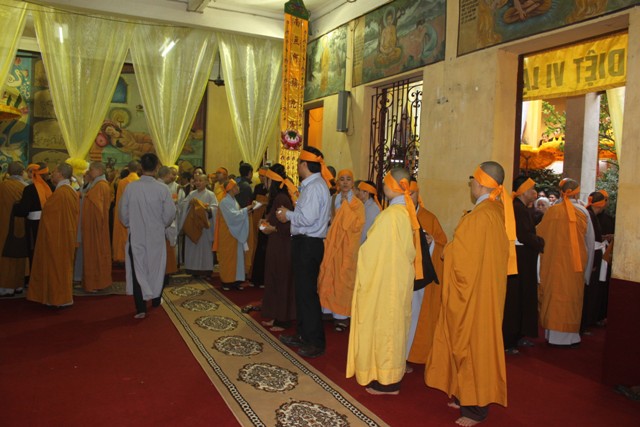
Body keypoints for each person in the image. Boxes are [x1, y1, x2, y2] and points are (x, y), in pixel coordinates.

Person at [426, 161, 513, 426]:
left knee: (472, 347)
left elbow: (462, 261)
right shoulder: (496, 211)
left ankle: (475, 409)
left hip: (475, 295)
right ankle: (465, 394)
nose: (470, 184)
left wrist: (447, 250)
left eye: (472, 180)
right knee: (476, 346)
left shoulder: (479, 217)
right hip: (487, 291)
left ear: (481, 182)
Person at [346, 167, 420, 395]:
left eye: (386, 182)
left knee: (385, 329)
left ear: (393, 186)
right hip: (397, 281)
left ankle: (388, 382)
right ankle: (389, 377)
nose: (383, 185)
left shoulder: (390, 216)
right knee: (394, 328)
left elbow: (371, 251)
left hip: (386, 283)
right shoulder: (405, 212)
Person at [276, 147, 332, 359]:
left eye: (299, 162)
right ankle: (303, 334)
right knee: (302, 292)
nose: (297, 166)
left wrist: (287, 214)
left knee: (308, 294)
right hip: (305, 243)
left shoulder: (315, 187)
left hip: (309, 244)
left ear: (305, 165)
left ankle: (315, 341)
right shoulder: (312, 186)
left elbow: (307, 218)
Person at [537, 178, 594, 347]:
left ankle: (551, 335)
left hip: (553, 264)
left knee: (553, 296)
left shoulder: (552, 211)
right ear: (577, 193)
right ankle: (569, 338)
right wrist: (588, 270)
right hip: (574, 266)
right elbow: (590, 242)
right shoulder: (583, 212)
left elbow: (539, 235)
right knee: (571, 298)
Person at [119, 153, 176, 319]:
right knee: (156, 266)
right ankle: (156, 299)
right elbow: (170, 213)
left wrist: (130, 223)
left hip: (136, 234)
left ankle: (140, 307)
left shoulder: (131, 188)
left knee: (138, 268)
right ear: (157, 167)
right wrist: (161, 224)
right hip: (156, 235)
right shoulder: (162, 189)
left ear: (140, 167)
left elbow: (122, 213)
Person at [406, 179, 447, 367]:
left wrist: (432, 244)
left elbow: (442, 245)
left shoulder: (429, 218)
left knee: (415, 316)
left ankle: (410, 354)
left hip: (420, 277)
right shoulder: (395, 215)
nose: (409, 197)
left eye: (412, 193)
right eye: (406, 194)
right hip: (399, 275)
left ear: (418, 194)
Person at [26, 162, 79, 307]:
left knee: (56, 267)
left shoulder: (61, 193)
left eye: (54, 171)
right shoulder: (71, 191)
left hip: (57, 237)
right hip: (67, 235)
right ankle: (63, 297)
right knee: (63, 267)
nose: (52, 174)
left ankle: (58, 298)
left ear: (60, 174)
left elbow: (49, 215)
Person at [318, 169, 365, 332]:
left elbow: (358, 225)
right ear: (338, 182)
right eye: (342, 179)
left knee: (344, 279)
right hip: (332, 244)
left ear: (352, 183)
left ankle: (341, 315)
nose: (345, 182)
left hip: (348, 247)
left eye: (348, 179)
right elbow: (327, 219)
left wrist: (346, 209)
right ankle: (327, 310)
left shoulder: (357, 204)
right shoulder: (333, 199)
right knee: (329, 274)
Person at [502, 176, 545, 354]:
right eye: (532, 189)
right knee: (516, 299)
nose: (535, 192)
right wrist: (540, 242)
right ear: (523, 191)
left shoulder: (522, 208)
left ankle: (519, 335)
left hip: (525, 259)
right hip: (519, 259)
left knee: (524, 297)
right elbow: (524, 235)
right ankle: (510, 339)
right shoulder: (517, 208)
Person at [260, 164, 296, 330]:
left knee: (281, 281)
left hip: (282, 246)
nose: (264, 182)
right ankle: (276, 316)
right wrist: (265, 224)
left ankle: (283, 319)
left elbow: (288, 226)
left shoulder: (282, 199)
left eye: (266, 179)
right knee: (274, 280)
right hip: (276, 244)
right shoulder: (277, 198)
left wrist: (271, 228)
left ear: (272, 180)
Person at [213, 179, 255, 291]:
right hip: (228, 234)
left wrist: (246, 212)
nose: (238, 188)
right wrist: (246, 209)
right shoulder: (224, 202)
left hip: (235, 234)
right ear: (231, 189)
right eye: (236, 186)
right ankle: (227, 282)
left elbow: (237, 215)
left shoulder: (233, 200)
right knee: (228, 258)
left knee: (238, 258)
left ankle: (236, 281)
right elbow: (233, 217)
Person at [13, 162, 53, 271]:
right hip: (50, 224)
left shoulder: (29, 189)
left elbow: (24, 210)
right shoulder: (53, 188)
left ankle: (34, 276)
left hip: (34, 225)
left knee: (34, 250)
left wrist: (15, 207)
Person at [80, 162, 112, 292]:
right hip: (95, 226)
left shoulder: (101, 186)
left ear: (99, 170)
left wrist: (83, 197)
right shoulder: (97, 184)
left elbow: (95, 206)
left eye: (91, 169)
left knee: (95, 254)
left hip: (96, 227)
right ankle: (95, 282)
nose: (89, 171)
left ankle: (96, 283)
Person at [178, 174, 217, 276]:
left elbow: (215, 208)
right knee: (192, 248)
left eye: (200, 180)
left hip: (204, 227)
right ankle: (192, 269)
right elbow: (182, 205)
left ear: (206, 182)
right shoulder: (192, 194)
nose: (198, 183)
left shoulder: (210, 194)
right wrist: (189, 204)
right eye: (196, 181)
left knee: (205, 248)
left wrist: (208, 209)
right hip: (192, 225)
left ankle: (206, 270)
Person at [581, 191, 608, 332]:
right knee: (590, 291)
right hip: (592, 256)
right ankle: (586, 321)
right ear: (601, 204)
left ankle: (589, 319)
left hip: (596, 254)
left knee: (594, 290)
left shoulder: (590, 214)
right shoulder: (589, 215)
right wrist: (592, 262)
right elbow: (589, 240)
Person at [0, 162, 27, 297]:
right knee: (20, 253)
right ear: (22, 173)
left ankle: (5, 286)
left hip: (4, 226)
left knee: (5, 254)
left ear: (8, 173)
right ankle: (18, 285)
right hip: (22, 225)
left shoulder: (3, 187)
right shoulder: (26, 187)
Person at [113, 160, 140, 263]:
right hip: (137, 213)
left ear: (128, 169)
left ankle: (121, 255)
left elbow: (120, 201)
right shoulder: (140, 182)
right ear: (139, 169)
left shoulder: (122, 182)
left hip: (124, 212)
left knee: (124, 234)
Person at [249, 167, 270, 289]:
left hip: (266, 221)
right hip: (257, 219)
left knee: (263, 247)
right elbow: (252, 200)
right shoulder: (258, 187)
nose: (262, 178)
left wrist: (264, 203)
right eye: (260, 176)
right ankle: (254, 276)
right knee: (257, 246)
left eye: (264, 176)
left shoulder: (272, 189)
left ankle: (262, 278)